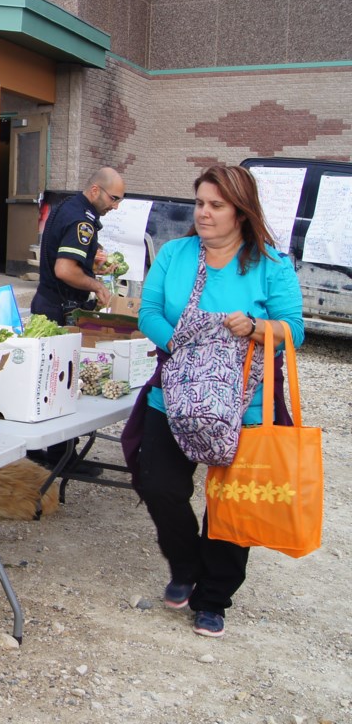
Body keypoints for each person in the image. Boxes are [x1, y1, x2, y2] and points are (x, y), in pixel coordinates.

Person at [133, 165, 303, 639]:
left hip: (243, 407)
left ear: (241, 213)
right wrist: (187, 348)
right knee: (159, 484)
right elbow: (147, 312)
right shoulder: (175, 254)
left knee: (230, 504)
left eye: (216, 205)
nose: (203, 213)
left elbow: (295, 330)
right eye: (200, 203)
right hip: (176, 398)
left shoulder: (272, 264)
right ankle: (186, 567)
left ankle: (214, 597)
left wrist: (255, 328)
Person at [31, 166, 124, 324]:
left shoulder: (69, 205)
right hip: (59, 310)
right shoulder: (81, 221)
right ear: (95, 190)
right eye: (113, 199)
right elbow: (64, 270)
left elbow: (59, 253)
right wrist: (98, 287)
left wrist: (91, 266)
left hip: (46, 302)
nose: (116, 206)